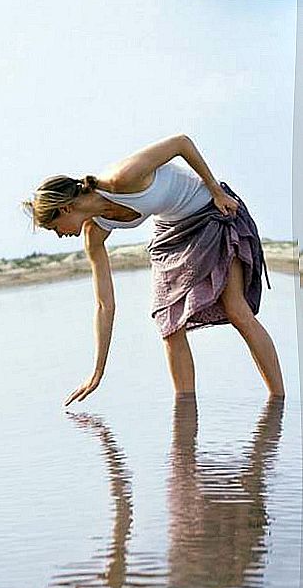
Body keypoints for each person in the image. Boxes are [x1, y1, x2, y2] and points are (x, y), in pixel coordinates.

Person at [21, 134, 285, 405]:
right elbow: (104, 305)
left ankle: (278, 404)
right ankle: (185, 415)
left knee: (237, 310)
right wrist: (97, 372)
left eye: (54, 228)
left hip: (208, 208)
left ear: (65, 208)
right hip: (171, 230)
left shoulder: (120, 179)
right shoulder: (94, 233)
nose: (58, 235)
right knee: (169, 324)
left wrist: (216, 191)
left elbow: (181, 143)